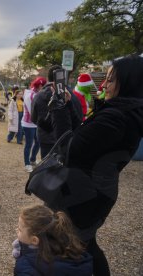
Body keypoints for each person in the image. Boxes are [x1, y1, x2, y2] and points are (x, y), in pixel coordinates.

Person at [49, 55, 143, 275]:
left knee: (81, 244)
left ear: (128, 82)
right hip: (96, 189)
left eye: (110, 80)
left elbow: (68, 147)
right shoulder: (127, 113)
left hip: (85, 194)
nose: (103, 85)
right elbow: (82, 134)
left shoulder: (116, 118)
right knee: (84, 242)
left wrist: (60, 107)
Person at [13, 205, 92, 275]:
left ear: (34, 240)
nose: (16, 230)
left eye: (20, 230)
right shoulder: (72, 249)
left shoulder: (25, 267)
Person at [31, 65, 82, 158]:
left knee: (47, 168)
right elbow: (78, 116)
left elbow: (34, 118)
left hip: (46, 140)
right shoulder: (72, 95)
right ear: (63, 77)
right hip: (67, 139)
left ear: (48, 78)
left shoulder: (38, 96)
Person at [21, 77, 45, 172]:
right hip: (28, 124)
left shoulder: (38, 94)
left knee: (38, 142)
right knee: (29, 144)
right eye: (43, 87)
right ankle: (27, 164)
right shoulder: (29, 95)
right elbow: (33, 112)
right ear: (39, 86)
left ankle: (33, 159)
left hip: (36, 123)